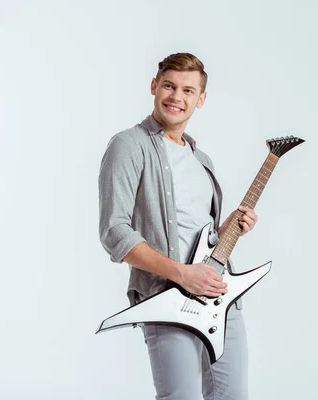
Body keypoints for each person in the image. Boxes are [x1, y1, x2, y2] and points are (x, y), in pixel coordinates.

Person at [98, 52, 257, 400]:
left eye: (188, 90)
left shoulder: (202, 161)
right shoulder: (129, 146)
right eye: (169, 86)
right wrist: (182, 274)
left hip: (220, 300)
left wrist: (230, 226)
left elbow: (204, 235)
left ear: (201, 99)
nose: (176, 97)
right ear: (154, 87)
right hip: (166, 299)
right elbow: (115, 231)